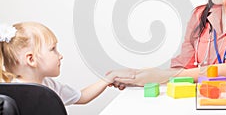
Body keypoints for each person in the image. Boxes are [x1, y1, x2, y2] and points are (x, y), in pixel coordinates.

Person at [0, 22, 130, 105]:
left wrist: (108, 79)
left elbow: (82, 97)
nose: (60, 56)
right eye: (53, 49)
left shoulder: (50, 86)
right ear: (31, 60)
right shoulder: (9, 96)